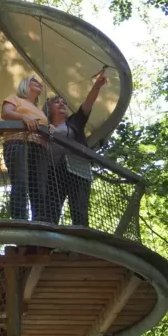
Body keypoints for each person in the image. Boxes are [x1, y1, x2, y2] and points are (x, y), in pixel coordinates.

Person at [42, 71, 108, 226]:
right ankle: (47, 243)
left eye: (64, 102)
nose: (62, 104)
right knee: (51, 210)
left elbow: (88, 104)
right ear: (48, 108)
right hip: (55, 172)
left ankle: (81, 243)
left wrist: (97, 86)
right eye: (56, 102)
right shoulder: (42, 127)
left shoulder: (74, 122)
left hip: (78, 169)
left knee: (79, 210)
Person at [0, 76, 50, 221]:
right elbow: (6, 113)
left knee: (39, 187)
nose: (39, 83)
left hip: (39, 148)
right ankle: (19, 221)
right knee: (21, 183)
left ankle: (40, 222)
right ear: (25, 85)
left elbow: (42, 125)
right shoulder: (15, 98)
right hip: (18, 143)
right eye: (34, 81)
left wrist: (49, 127)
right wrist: (23, 117)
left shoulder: (38, 110)